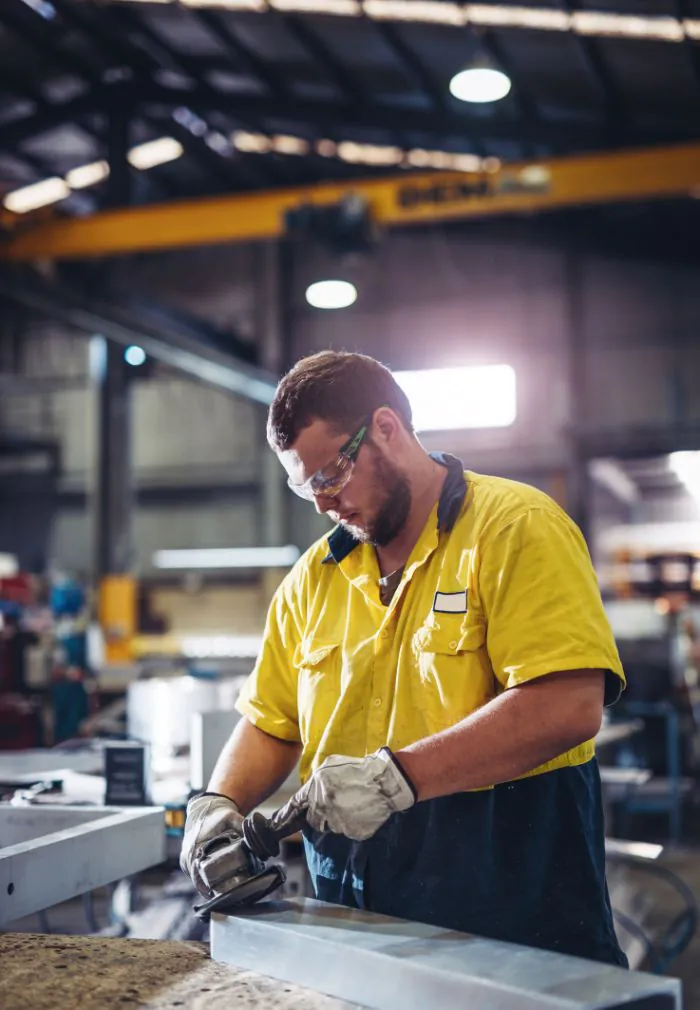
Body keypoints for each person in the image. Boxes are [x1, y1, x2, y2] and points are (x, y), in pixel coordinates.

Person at [181, 351, 627, 966]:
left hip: (511, 911)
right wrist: (218, 802)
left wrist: (397, 779)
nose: (321, 504)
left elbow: (568, 705)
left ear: (386, 429)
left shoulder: (514, 528)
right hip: (353, 919)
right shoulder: (315, 578)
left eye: (330, 475)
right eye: (303, 485)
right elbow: (270, 720)